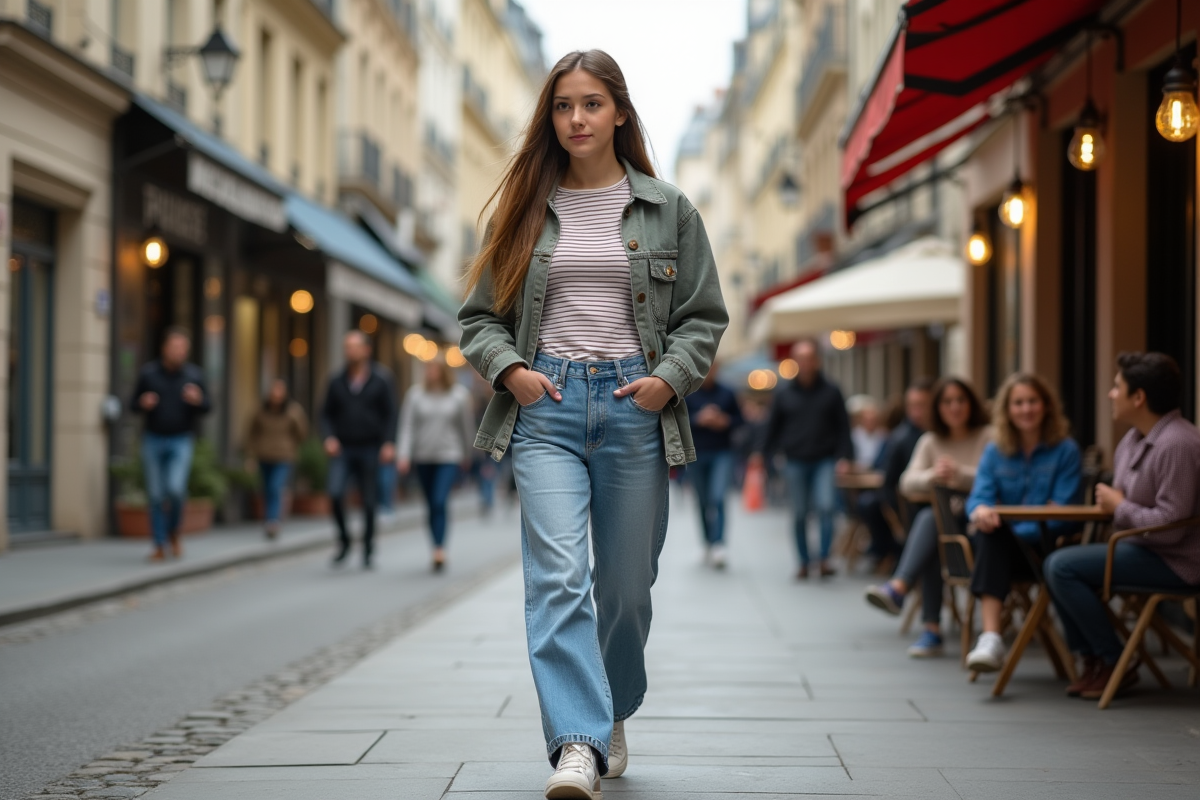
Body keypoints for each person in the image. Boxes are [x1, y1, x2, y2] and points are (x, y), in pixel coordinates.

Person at [458, 50, 726, 800]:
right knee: (559, 580)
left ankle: (610, 708)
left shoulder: (669, 209)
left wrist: (667, 380)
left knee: (627, 590)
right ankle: (577, 742)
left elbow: (703, 316)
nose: (576, 119)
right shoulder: (524, 209)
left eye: (591, 104)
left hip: (634, 408)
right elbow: (478, 319)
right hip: (544, 408)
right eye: (563, 106)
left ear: (620, 114)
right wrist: (512, 370)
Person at [1044, 353, 1200, 699]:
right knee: (1057, 563)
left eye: (1117, 387)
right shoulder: (1132, 440)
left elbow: (1172, 527)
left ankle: (1113, 660)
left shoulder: (1178, 444)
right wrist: (1109, 506)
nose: (1110, 394)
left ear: (1139, 397)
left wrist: (1119, 506)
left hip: (1176, 561)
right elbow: (1120, 504)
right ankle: (1096, 661)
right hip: (1139, 547)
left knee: (1062, 567)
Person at [864, 378, 991, 656]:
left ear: (971, 403)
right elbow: (906, 482)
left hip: (984, 528)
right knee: (934, 525)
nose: (954, 407)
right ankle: (923, 620)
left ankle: (913, 606)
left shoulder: (988, 437)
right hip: (950, 530)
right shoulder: (931, 440)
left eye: (960, 400)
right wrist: (933, 475)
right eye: (947, 402)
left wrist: (960, 474)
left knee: (932, 524)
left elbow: (996, 478)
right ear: (938, 408)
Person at [964, 373, 1081, 672]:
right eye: (1018, 403)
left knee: (995, 533)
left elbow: (1064, 514)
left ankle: (990, 637)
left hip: (1047, 553)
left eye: (1032, 401)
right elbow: (979, 497)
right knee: (991, 531)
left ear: (1046, 405)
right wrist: (981, 511)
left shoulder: (1066, 450)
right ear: (1007, 409)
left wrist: (1012, 524)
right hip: (1003, 550)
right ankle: (991, 638)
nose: (1026, 409)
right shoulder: (995, 451)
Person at [755, 339, 853, 579]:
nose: (806, 363)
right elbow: (772, 427)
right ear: (795, 361)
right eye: (801, 358)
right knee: (799, 513)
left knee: (826, 507)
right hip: (794, 460)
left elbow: (843, 427)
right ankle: (803, 562)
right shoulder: (783, 393)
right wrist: (763, 454)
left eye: (810, 358)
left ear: (817, 361)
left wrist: (845, 457)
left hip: (824, 459)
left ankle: (824, 559)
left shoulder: (832, 391)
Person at [319, 330, 397, 569]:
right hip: (343, 448)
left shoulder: (381, 379)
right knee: (335, 493)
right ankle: (344, 541)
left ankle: (368, 548)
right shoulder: (336, 380)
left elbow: (391, 414)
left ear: (366, 350)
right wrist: (329, 437)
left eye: (354, 346)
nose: (349, 351)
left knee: (369, 500)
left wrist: (388, 442)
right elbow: (325, 414)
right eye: (347, 347)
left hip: (370, 447)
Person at [132, 328, 211, 561]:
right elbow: (132, 404)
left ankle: (174, 532)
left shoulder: (194, 375)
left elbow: (208, 407)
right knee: (156, 494)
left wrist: (198, 400)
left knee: (176, 490)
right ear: (164, 348)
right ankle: (159, 544)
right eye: (175, 347)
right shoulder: (148, 374)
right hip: (153, 439)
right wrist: (142, 403)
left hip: (181, 440)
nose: (179, 352)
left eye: (183, 348)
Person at [397, 356, 475, 571]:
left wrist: (468, 454)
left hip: (449, 456)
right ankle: (435, 545)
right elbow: (407, 426)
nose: (430, 373)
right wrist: (403, 455)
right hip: (423, 456)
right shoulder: (415, 395)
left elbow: (466, 427)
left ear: (443, 371)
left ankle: (440, 549)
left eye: (434, 369)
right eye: (427, 369)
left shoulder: (459, 395)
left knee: (440, 500)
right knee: (431, 503)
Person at [858, 380, 935, 566]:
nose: (917, 412)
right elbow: (889, 480)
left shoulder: (939, 435)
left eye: (922, 405)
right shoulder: (901, 438)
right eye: (912, 406)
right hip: (912, 507)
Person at [685, 367, 743, 568]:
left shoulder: (728, 393)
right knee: (702, 500)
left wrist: (724, 421)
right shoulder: (690, 393)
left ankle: (719, 544)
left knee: (718, 497)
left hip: (722, 453)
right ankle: (706, 542)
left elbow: (740, 420)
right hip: (697, 453)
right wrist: (699, 419)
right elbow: (680, 421)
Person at [246, 379, 309, 540]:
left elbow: (302, 433)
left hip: (284, 456)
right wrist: (250, 456)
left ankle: (273, 521)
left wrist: (292, 445)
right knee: (267, 488)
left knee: (275, 487)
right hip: (264, 455)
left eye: (280, 391)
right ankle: (270, 519)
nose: (276, 394)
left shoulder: (293, 411)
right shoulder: (261, 410)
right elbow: (251, 434)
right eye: (274, 390)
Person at [847, 395, 888, 471]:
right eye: (867, 420)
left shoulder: (883, 436)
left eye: (872, 420)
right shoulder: (854, 435)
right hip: (857, 471)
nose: (870, 423)